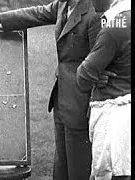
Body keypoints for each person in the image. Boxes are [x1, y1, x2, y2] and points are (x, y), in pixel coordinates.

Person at [0, 0, 103, 179]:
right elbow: (36, 13)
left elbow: (99, 63)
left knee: (79, 166)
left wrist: (93, 105)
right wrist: (0, 18)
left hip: (81, 104)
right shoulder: (62, 5)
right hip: (61, 99)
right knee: (61, 164)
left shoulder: (93, 12)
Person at [76, 0, 131, 179]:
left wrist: (94, 73)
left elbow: (83, 77)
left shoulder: (116, 24)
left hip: (114, 116)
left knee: (112, 173)